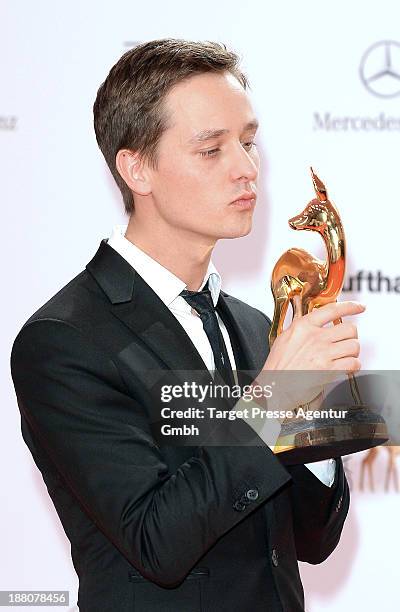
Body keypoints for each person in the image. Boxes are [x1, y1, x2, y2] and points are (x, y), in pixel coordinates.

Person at [10, 39, 363, 611]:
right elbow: (157, 541)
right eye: (211, 150)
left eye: (249, 143)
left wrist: (316, 413)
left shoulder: (254, 327)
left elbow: (312, 541)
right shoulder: (64, 340)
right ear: (136, 168)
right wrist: (275, 402)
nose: (248, 170)